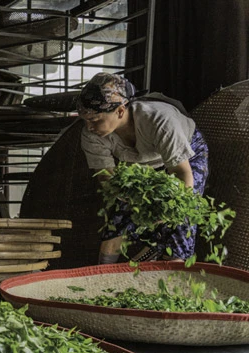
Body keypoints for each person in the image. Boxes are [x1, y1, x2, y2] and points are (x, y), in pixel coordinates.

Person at [77, 72, 209, 264]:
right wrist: (134, 202)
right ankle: (101, 276)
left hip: (186, 157)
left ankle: (172, 268)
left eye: (95, 119)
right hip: (143, 166)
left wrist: (167, 213)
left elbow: (182, 173)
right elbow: (107, 179)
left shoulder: (159, 121)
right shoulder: (91, 135)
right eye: (85, 119)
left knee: (180, 219)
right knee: (118, 217)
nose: (89, 126)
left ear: (120, 111)